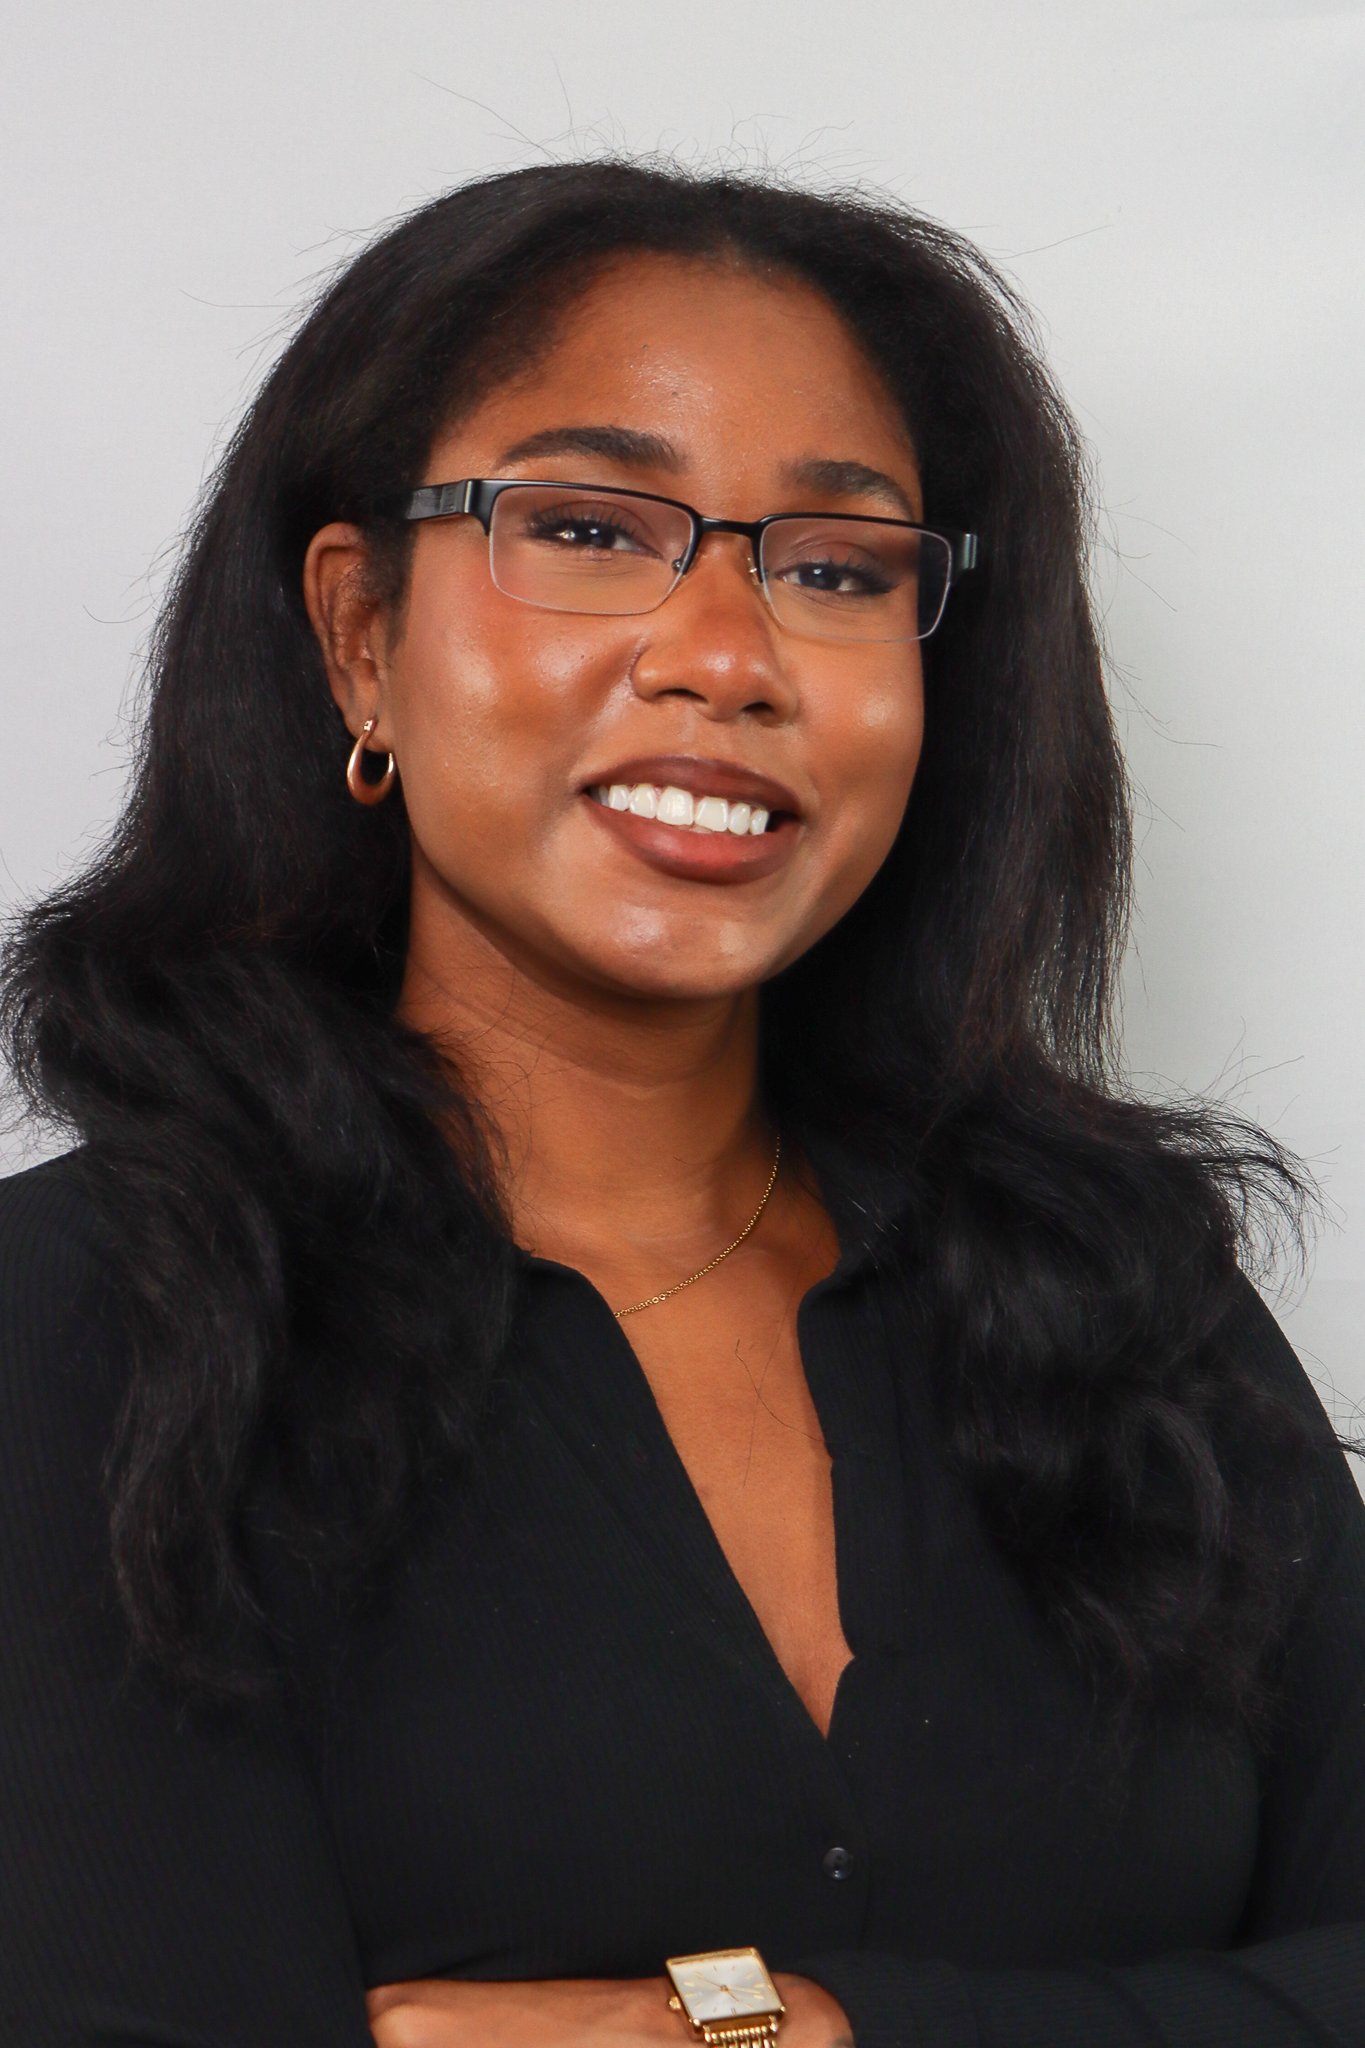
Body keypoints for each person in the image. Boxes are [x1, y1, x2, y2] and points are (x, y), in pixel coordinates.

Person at [1, 157, 1361, 2048]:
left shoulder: (1125, 1301)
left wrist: (787, 2035)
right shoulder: (76, 1333)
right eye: (585, 526)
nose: (727, 659)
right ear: (360, 635)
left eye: (833, 569)